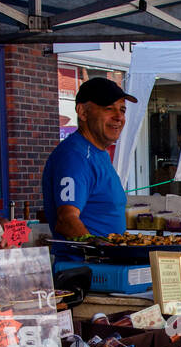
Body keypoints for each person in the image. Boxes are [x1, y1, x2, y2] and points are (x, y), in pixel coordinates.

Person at [42, 76, 137, 241]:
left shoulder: (97, 152)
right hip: (86, 265)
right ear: (83, 112)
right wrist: (100, 249)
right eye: (109, 108)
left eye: (122, 110)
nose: (118, 117)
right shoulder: (75, 157)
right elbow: (66, 219)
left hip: (108, 263)